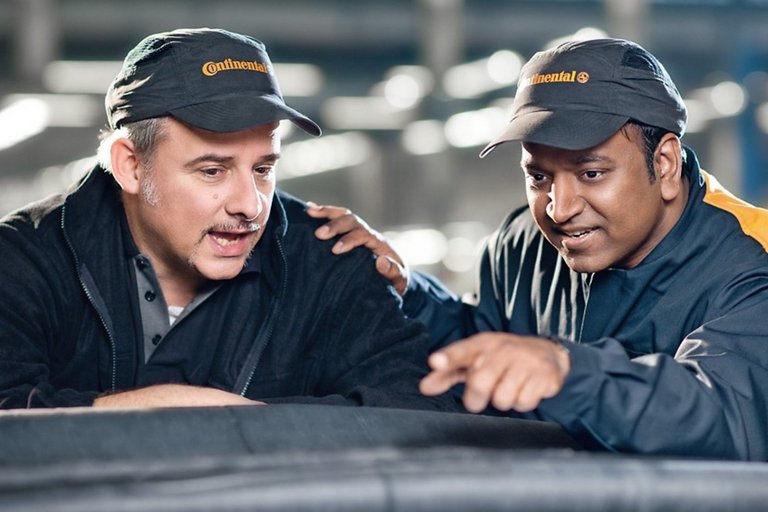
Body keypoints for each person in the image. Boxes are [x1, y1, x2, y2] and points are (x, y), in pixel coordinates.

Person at [309, 38, 768, 461]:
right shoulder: (524, 241)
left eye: (591, 173)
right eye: (539, 176)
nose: (559, 208)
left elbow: (728, 413)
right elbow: (484, 339)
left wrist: (568, 372)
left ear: (664, 164)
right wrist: (407, 290)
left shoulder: (752, 259)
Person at [0, 27, 455, 412]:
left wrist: (238, 422)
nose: (250, 206)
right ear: (131, 166)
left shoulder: (332, 263)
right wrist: (203, 413)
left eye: (263, 169)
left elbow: (416, 409)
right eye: (213, 171)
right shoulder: (21, 261)